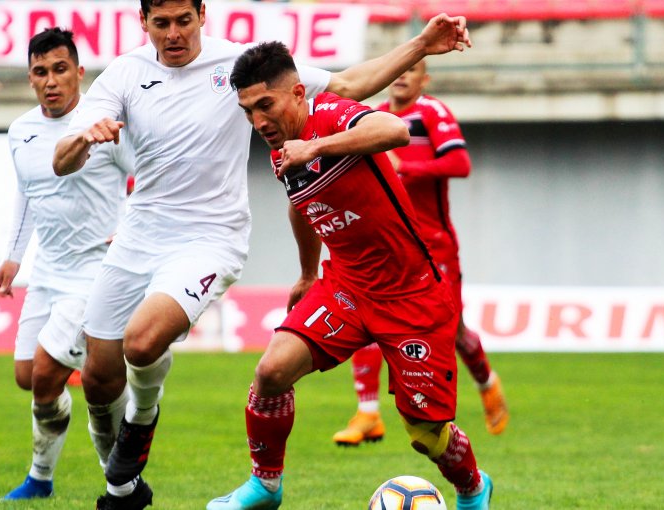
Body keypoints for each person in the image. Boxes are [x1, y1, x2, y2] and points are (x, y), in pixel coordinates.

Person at [52, 1, 471, 508]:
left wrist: (421, 46)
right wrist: (83, 138)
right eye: (161, 23)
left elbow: (356, 95)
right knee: (103, 378)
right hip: (155, 237)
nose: (173, 33)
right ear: (143, 22)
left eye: (183, 20)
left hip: (221, 240)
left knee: (141, 344)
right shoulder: (127, 74)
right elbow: (63, 161)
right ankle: (157, 486)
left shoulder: (255, 78)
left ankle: (142, 418)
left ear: (202, 14)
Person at [208, 41, 492, 510]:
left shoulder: (331, 116)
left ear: (298, 94)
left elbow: (395, 129)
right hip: (346, 285)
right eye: (248, 111)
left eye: (266, 105)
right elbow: (301, 204)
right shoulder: (282, 151)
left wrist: (315, 146)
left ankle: (473, 486)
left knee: (425, 433)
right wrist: (304, 272)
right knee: (271, 371)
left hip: (411, 293)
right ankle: (265, 486)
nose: (258, 122)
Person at [332, 60, 509, 447]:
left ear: (423, 78)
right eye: (398, 69)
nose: (402, 75)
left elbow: (460, 163)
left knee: (455, 330)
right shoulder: (374, 118)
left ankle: (487, 381)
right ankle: (367, 412)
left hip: (434, 244)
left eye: (412, 70)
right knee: (369, 320)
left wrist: (406, 166)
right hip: (390, 245)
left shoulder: (431, 111)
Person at [0, 27, 132, 501]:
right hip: (47, 272)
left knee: (48, 375)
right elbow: (27, 193)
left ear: (79, 72)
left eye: (60, 69)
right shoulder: (21, 131)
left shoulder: (105, 126)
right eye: (40, 72)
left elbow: (151, 178)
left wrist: (131, 229)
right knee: (27, 377)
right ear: (30, 79)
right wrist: (14, 257)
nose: (51, 80)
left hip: (95, 273)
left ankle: (63, 478)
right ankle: (106, 381)